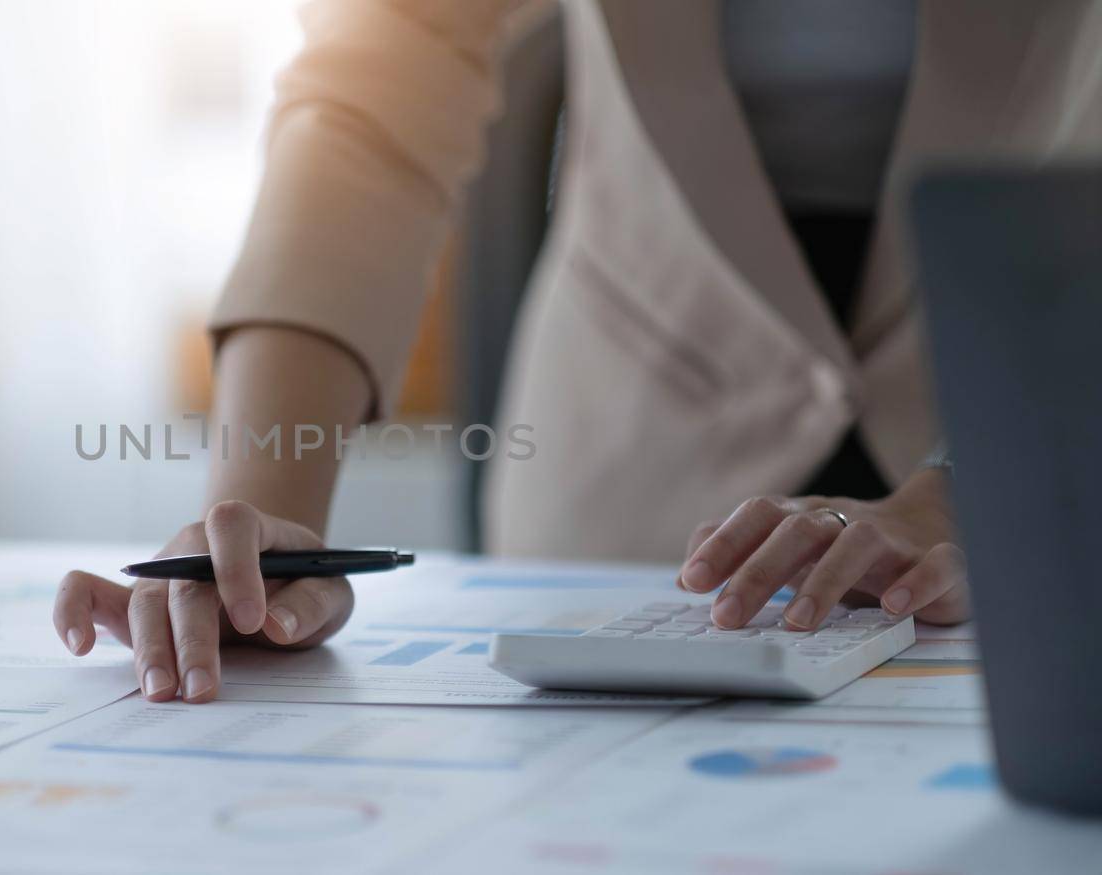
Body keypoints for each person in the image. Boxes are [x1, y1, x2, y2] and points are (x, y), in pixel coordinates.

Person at [54, 0, 1102, 702]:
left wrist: (976, 475)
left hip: (1031, 401)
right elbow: (375, 94)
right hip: (636, 459)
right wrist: (258, 538)